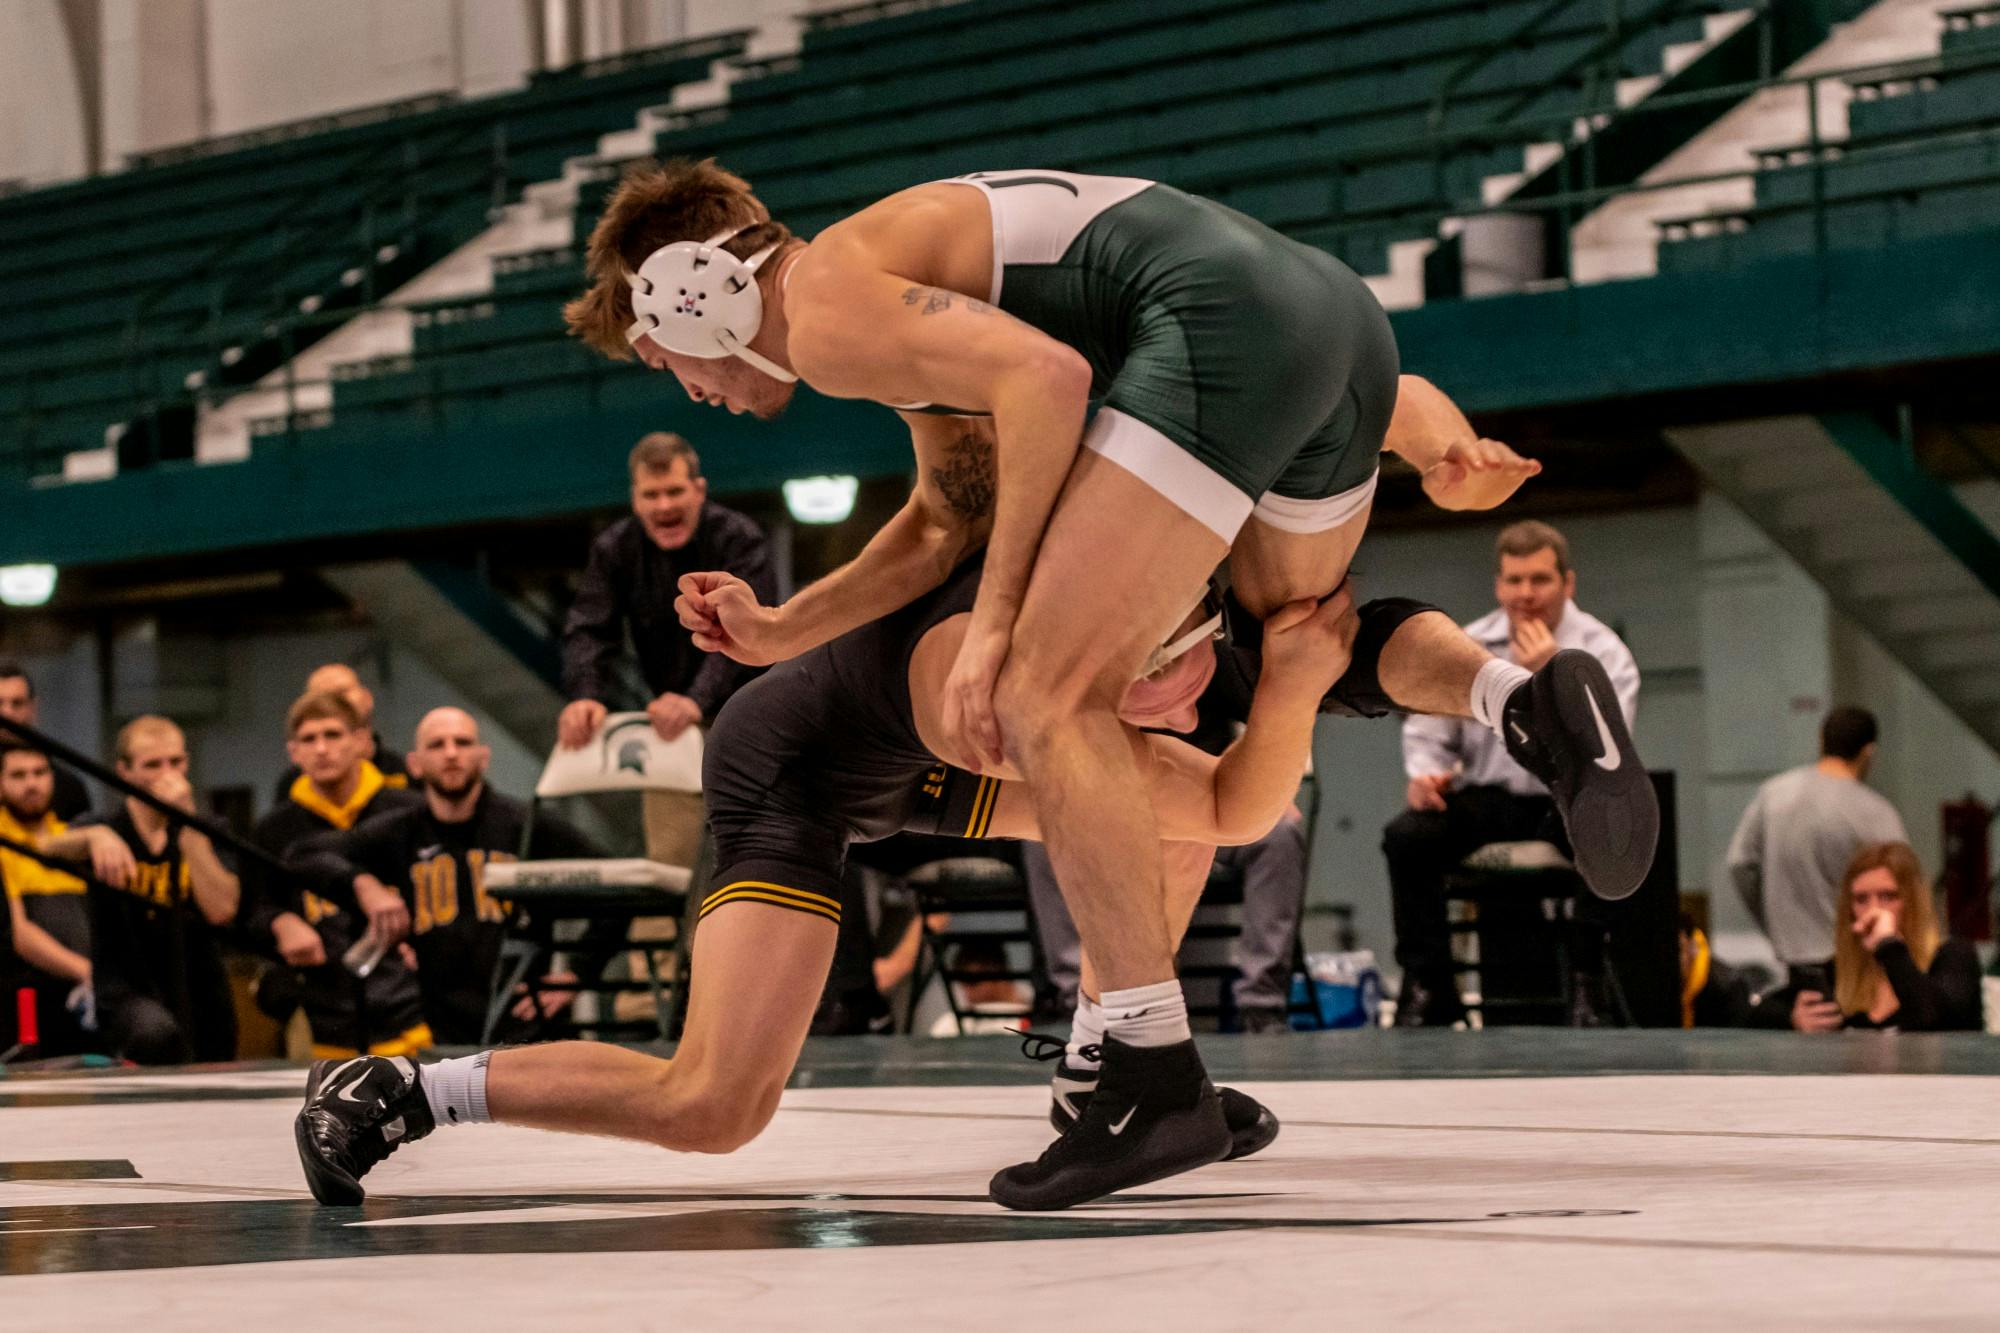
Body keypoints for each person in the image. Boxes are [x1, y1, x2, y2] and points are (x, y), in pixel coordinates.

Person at [564, 159, 1656, 1199]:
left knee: (1042, 695)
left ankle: (1143, 1065)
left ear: (694, 292)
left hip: (1219, 327)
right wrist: (783, 624)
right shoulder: (885, 294)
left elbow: (1047, 379)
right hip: (1333, 319)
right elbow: (949, 514)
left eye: (666, 357)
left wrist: (995, 629)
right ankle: (1517, 699)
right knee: (1293, 634)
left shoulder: (829, 304)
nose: (690, 387)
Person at [294, 559, 1358, 1210]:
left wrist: (1298, 683)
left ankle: (1103, 1067)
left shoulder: (1075, 619)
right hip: (792, 769)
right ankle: (404, 1088)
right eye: (1184, 670)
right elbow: (1228, 801)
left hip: (913, 756)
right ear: (1120, 647)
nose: (1195, 696)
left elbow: (1229, 811)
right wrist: (1300, 687)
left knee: (1164, 815)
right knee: (712, 1106)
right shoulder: (1025, 674)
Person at [1384, 521, 1640, 1027]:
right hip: (1490, 798)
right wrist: (1426, 774)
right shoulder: (1468, 645)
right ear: (1499, 585)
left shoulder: (1603, 652)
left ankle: (1590, 982)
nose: (1526, 594)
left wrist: (1553, 675)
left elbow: (1608, 753)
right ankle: (1432, 986)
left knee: (1616, 831)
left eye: (1540, 580)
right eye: (1515, 580)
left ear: (1568, 583)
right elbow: (1427, 727)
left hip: (1568, 800)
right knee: (1406, 837)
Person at [292, 707, 600, 1045]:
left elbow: (618, 882)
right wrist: (365, 887)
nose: (451, 753)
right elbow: (305, 855)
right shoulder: (400, 832)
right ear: (415, 764)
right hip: (442, 1036)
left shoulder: (526, 825)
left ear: (484, 757)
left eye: (463, 743)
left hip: (529, 1030)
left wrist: (578, 975)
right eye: (437, 745)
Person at [558, 433, 777, 865]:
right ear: (635, 500)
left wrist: (695, 701)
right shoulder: (615, 548)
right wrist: (586, 695)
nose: (663, 506)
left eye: (674, 491)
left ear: (699, 490)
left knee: (755, 857)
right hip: (670, 727)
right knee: (670, 865)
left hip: (753, 718)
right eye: (651, 495)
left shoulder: (739, 539)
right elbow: (589, 628)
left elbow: (746, 631)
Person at [41, 717, 240, 1064]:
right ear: (125, 771)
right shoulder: (105, 827)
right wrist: (93, 837)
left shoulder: (210, 829)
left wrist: (188, 825)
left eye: (175, 762)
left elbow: (221, 909)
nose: (167, 774)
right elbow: (47, 847)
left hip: (202, 990)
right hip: (126, 990)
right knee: (154, 1033)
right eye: (152, 764)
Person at [243, 692, 430, 1059]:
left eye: (333, 735)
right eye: (309, 740)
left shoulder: (408, 811)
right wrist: (280, 923)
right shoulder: (274, 828)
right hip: (318, 1007)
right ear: (293, 752)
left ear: (362, 742)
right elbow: (252, 909)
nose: (322, 749)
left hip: (413, 1008)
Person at [1727, 706, 1906, 990]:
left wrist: (1774, 923)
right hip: (1858, 966)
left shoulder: (1773, 795)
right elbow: (1904, 883)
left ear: (1821, 740)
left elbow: (1740, 863)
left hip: (1795, 965)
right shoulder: (1875, 812)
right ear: (1868, 751)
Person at [1755, 843, 1981, 1032]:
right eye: (1861, 900)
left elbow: (1932, 1019)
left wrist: (1890, 946)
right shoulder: (1842, 972)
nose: (1873, 911)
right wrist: (1792, 1019)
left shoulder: (1953, 957)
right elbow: (1754, 1013)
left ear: (1912, 902)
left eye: (1887, 897)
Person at [0, 745, 95, 1054]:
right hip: (29, 993)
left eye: (40, 773)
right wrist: (87, 971)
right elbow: (18, 933)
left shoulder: (73, 838)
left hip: (88, 992)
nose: (31, 784)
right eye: (18, 775)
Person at [272, 664, 408, 799]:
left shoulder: (404, 773)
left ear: (367, 697)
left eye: (341, 692)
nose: (333, 703)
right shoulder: (292, 787)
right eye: (322, 697)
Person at [0, 662, 92, 820]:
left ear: (33, 707)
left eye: (17, 703)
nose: (7, 713)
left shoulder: (68, 787)